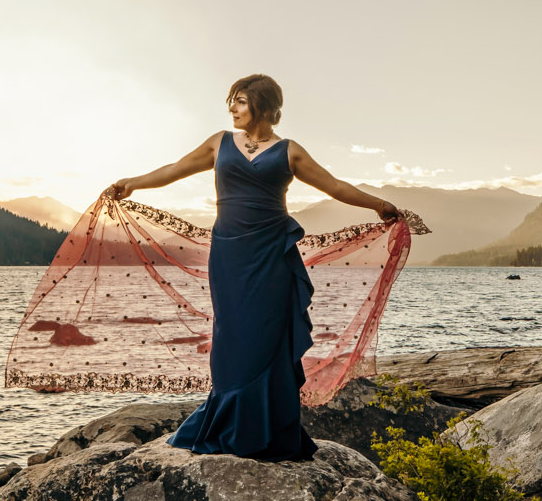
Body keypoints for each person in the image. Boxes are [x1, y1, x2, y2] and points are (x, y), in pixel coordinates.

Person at [105, 74, 400, 461]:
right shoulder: (219, 143)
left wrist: (378, 205)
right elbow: (175, 168)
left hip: (271, 255)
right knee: (231, 335)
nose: (232, 108)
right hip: (229, 254)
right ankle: (229, 423)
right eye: (232, 101)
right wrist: (134, 183)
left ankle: (270, 433)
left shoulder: (289, 152)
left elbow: (334, 186)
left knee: (267, 338)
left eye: (240, 101)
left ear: (261, 105)